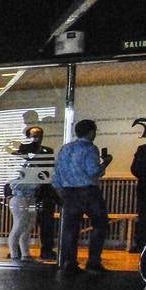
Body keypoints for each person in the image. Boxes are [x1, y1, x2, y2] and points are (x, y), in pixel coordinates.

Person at [51, 118, 112, 275]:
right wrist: (105, 163)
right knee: (100, 223)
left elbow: (56, 173)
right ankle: (93, 261)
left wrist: (60, 190)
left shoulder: (65, 148)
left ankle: (68, 262)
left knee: (70, 228)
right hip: (88, 190)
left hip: (68, 192)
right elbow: (93, 171)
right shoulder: (90, 148)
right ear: (91, 132)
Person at [13, 125, 58, 261]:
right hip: (27, 191)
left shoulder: (47, 150)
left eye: (39, 134)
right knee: (23, 221)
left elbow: (49, 169)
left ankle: (47, 249)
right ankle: (18, 249)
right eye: (33, 135)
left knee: (46, 220)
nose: (37, 137)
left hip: (43, 189)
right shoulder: (23, 150)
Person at [130, 119, 146, 253]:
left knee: (144, 217)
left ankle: (141, 244)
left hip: (145, 189)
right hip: (144, 189)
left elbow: (135, 169)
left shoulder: (142, 150)